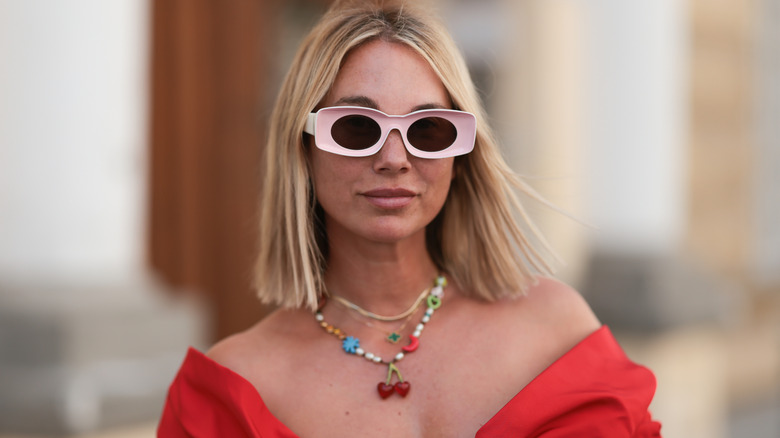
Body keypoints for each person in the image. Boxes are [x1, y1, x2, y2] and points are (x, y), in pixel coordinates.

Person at [158, 1, 662, 436]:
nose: (395, 159)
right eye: (357, 127)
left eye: (429, 130)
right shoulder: (234, 389)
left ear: (461, 155)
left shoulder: (556, 329)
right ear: (303, 148)